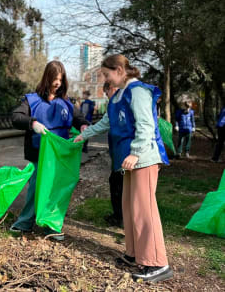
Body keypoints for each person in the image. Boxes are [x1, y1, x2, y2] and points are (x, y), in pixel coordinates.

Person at [74, 54, 173, 283]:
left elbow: (147, 125)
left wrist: (136, 152)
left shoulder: (137, 91)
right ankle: (134, 253)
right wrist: (84, 135)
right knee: (129, 208)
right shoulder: (119, 94)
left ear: (119, 70)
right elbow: (107, 122)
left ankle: (157, 262)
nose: (105, 79)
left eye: (107, 74)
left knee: (144, 210)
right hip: (130, 161)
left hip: (144, 158)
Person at [9, 60, 88, 241]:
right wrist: (33, 123)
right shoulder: (31, 100)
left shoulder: (66, 103)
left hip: (59, 154)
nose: (57, 83)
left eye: (60, 79)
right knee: (36, 186)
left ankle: (51, 225)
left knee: (55, 188)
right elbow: (16, 117)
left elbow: (79, 118)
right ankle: (25, 222)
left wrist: (84, 126)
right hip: (39, 152)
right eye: (54, 79)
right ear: (47, 78)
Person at [102, 82, 123, 228]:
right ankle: (119, 216)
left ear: (112, 89)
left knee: (118, 186)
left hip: (123, 155)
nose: (106, 96)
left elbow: (103, 124)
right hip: (117, 154)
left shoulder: (119, 104)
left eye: (106, 93)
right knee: (115, 182)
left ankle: (120, 217)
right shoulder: (115, 104)